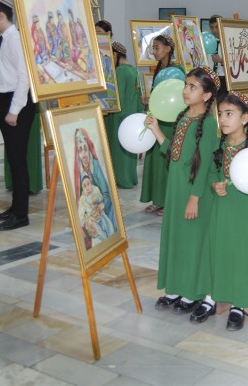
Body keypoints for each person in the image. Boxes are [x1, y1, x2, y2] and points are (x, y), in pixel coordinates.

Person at [144, 67, 219, 314]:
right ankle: (175, 287)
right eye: (186, 85)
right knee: (176, 237)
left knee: (192, 241)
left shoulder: (209, 123)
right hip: (176, 188)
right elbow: (173, 154)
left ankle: (192, 291)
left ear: (207, 95)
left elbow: (205, 164)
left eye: (192, 87)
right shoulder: (183, 116)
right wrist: (156, 130)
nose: (186, 90)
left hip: (194, 192)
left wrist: (194, 198)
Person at [194, 91, 248, 331]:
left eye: (229, 114)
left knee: (241, 252)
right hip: (220, 206)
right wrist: (215, 184)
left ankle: (238, 304)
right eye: (221, 114)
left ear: (245, 118)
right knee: (216, 248)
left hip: (243, 208)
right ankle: (210, 297)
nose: (223, 119)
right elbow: (211, 172)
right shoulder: (219, 144)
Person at [0, 0, 34, 231]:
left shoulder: (15, 40)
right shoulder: (6, 39)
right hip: (9, 99)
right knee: (13, 158)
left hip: (18, 104)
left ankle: (21, 215)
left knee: (18, 160)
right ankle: (15, 207)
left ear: (1, 15)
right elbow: (7, 76)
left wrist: (14, 111)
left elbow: (24, 78)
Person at [140, 35, 183, 215]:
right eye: (153, 48)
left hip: (171, 122)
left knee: (167, 160)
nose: (154, 51)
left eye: (157, 47)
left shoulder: (177, 70)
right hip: (157, 118)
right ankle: (157, 200)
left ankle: (168, 201)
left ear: (168, 48)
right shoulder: (158, 69)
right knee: (155, 162)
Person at [104, 42, 144, 188]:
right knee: (129, 148)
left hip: (118, 116)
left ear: (115, 55)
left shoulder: (120, 71)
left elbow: (117, 97)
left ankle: (120, 179)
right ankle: (131, 177)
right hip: (131, 116)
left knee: (118, 149)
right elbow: (138, 96)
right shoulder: (133, 70)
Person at [74, 128, 116, 249]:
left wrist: (100, 207)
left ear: (89, 150)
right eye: (80, 150)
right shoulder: (77, 172)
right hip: (89, 215)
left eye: (85, 149)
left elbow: (107, 194)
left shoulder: (96, 166)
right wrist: (87, 219)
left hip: (103, 209)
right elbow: (80, 204)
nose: (84, 154)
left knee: (107, 227)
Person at [78, 172, 115, 248]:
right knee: (98, 233)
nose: (87, 188)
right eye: (84, 186)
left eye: (88, 184)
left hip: (100, 215)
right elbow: (81, 215)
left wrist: (95, 199)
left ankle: (112, 244)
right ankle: (102, 247)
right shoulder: (82, 199)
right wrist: (87, 220)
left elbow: (100, 198)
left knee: (109, 226)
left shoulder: (95, 190)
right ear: (82, 188)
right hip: (91, 220)